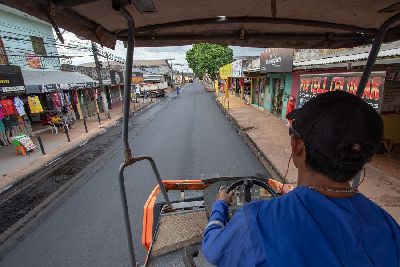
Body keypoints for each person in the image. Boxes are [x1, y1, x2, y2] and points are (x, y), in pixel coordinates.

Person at [202, 90, 400, 267]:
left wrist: (220, 207)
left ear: (297, 145)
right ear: (364, 158)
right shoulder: (388, 225)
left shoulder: (257, 220)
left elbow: (212, 248)